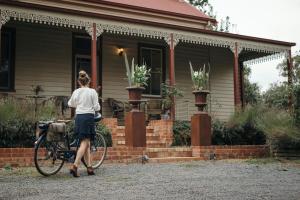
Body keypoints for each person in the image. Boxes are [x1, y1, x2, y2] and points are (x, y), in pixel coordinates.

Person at [68, 70, 100, 177]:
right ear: (88, 81)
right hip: (88, 118)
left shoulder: (76, 91)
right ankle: (75, 165)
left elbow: (70, 104)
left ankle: (89, 167)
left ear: (79, 81)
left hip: (79, 117)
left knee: (86, 143)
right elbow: (96, 107)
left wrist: (79, 104)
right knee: (85, 142)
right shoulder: (92, 92)